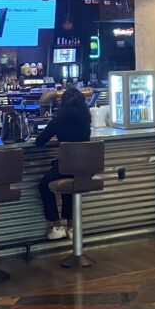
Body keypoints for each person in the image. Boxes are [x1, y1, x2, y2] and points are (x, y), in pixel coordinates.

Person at [35, 87, 91, 239]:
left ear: (62, 103)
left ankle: (57, 226)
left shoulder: (59, 120)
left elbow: (40, 141)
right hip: (86, 169)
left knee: (43, 185)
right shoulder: (86, 120)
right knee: (70, 186)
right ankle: (72, 228)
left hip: (67, 166)